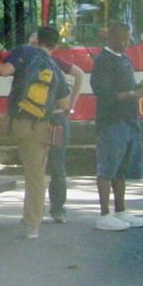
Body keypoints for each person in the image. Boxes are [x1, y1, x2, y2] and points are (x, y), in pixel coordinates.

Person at [0, 25, 71, 239]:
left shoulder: (25, 52)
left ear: (36, 40)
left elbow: (2, 71)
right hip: (41, 127)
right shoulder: (55, 68)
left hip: (15, 123)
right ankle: (31, 226)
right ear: (55, 45)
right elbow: (64, 103)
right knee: (35, 176)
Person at [89, 21, 143, 231]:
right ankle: (104, 214)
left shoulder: (125, 59)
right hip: (111, 121)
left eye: (128, 38)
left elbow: (127, 87)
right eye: (122, 39)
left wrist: (138, 88)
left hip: (129, 120)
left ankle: (121, 210)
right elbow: (104, 94)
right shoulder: (102, 61)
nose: (126, 43)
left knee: (122, 169)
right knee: (107, 168)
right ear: (111, 38)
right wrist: (135, 94)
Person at [47, 54, 85, 224]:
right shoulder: (26, 59)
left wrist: (71, 105)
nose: (35, 47)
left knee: (56, 164)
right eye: (32, 43)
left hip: (55, 120)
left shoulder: (55, 61)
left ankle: (57, 209)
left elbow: (79, 73)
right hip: (34, 121)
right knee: (35, 167)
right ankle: (32, 212)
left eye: (37, 43)